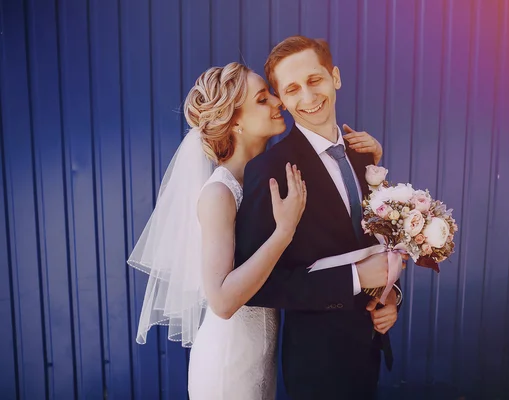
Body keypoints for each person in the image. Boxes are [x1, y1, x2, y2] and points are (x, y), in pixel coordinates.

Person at [127, 61, 391, 400]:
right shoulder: (219, 194)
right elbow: (222, 301)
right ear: (235, 120)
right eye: (262, 99)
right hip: (230, 360)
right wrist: (283, 232)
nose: (278, 102)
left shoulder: (266, 177)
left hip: (262, 352)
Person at [235, 36, 407, 400]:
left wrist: (391, 296)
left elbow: (376, 245)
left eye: (315, 80)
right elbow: (258, 286)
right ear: (282, 98)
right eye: (293, 89)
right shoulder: (268, 170)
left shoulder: (364, 156)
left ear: (335, 77)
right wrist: (356, 278)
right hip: (318, 366)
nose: (309, 97)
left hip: (369, 349)